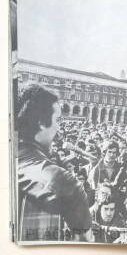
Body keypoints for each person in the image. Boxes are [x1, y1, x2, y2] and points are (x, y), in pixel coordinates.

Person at [16, 84, 92, 241]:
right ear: (41, 123)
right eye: (57, 120)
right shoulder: (63, 181)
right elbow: (86, 240)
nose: (59, 127)